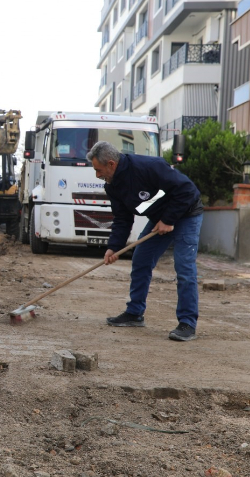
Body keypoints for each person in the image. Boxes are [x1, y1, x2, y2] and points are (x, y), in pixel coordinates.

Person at [87, 141, 203, 341]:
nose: (97, 175)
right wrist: (114, 247)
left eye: (98, 170)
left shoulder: (148, 167)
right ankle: (134, 313)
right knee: (141, 260)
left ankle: (187, 323)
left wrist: (168, 219)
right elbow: (123, 219)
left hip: (187, 214)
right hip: (160, 218)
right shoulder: (113, 186)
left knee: (184, 268)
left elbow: (187, 190)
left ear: (111, 164)